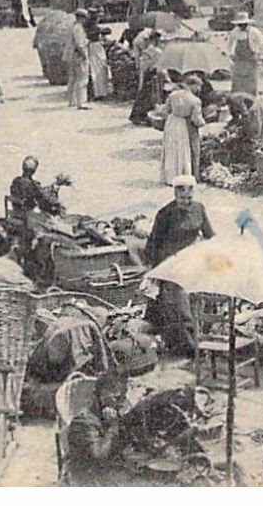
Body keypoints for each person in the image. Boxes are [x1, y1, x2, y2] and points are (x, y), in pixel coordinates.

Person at [145, 177, 214, 353]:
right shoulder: (165, 214)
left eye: (189, 198)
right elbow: (154, 242)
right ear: (175, 194)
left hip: (192, 259)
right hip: (171, 263)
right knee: (179, 304)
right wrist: (155, 270)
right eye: (182, 199)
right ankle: (189, 347)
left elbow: (209, 235)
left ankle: (204, 337)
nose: (186, 202)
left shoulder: (199, 209)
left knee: (204, 296)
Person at [65, 369, 131, 482]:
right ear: (98, 394)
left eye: (123, 396)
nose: (119, 402)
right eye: (114, 395)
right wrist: (113, 427)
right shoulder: (83, 421)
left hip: (107, 474)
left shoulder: (112, 414)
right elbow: (98, 456)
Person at [160, 73, 206, 184]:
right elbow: (197, 119)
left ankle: (170, 175)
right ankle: (183, 173)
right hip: (185, 125)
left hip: (172, 123)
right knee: (184, 150)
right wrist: (204, 123)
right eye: (198, 86)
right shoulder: (195, 100)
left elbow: (164, 111)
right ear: (193, 85)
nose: (199, 89)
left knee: (172, 148)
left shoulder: (173, 95)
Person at [228, 12, 263, 96]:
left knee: (251, 85)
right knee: (238, 84)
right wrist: (231, 54)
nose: (242, 26)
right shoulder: (234, 32)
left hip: (250, 62)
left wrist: (260, 56)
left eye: (244, 24)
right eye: (240, 24)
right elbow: (229, 45)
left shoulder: (254, 32)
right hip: (239, 62)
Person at [67, 9, 92, 109]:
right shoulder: (78, 28)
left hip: (72, 56)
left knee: (73, 78)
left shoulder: (73, 27)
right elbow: (79, 44)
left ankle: (72, 100)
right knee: (82, 78)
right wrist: (84, 55)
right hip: (79, 55)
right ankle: (81, 102)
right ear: (81, 18)